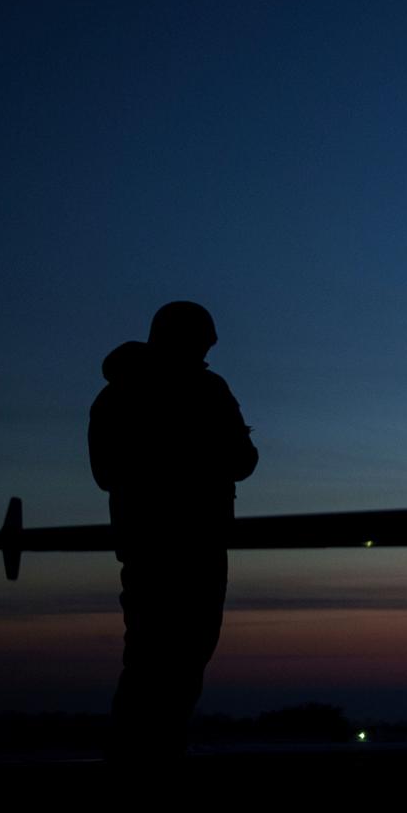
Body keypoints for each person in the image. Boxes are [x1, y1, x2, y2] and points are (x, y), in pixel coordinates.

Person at [89, 301, 258, 761]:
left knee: (151, 653)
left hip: (144, 544)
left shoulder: (115, 395)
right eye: (203, 341)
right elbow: (243, 461)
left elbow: (105, 471)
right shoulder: (205, 390)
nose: (209, 350)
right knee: (178, 654)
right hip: (193, 543)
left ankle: (145, 747)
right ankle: (150, 752)